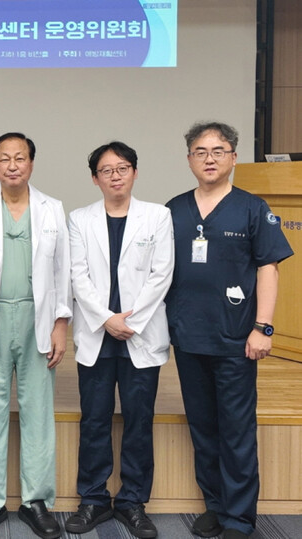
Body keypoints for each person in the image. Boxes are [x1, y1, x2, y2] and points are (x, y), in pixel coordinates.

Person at [165, 122, 293, 539]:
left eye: (218, 151)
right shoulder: (174, 210)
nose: (210, 159)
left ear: (234, 158)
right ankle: (216, 507)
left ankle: (239, 518)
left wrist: (263, 327)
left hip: (236, 338)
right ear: (189, 160)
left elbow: (268, 268)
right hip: (188, 336)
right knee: (203, 428)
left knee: (236, 430)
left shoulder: (253, 208)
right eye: (200, 152)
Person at [0, 133, 71, 539]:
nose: (13, 165)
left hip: (39, 318)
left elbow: (62, 271)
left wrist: (61, 323)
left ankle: (36, 501)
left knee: (38, 412)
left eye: (20, 158)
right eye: (4, 158)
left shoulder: (52, 208)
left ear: (32, 163)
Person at [66, 142, 174, 538]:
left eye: (123, 168)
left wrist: (131, 321)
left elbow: (162, 274)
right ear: (95, 178)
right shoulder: (79, 219)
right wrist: (105, 318)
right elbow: (77, 275)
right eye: (107, 170)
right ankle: (93, 499)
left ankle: (132, 502)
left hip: (140, 334)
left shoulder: (158, 216)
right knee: (94, 420)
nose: (116, 176)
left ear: (135, 172)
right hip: (98, 334)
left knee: (138, 421)